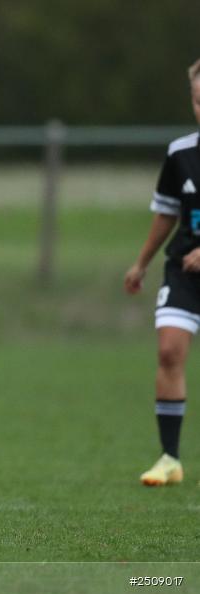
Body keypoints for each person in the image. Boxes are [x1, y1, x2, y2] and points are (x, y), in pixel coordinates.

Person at [125, 58, 200, 486]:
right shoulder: (181, 154)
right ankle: (170, 457)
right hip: (184, 275)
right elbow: (167, 213)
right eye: (197, 101)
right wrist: (141, 263)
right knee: (169, 351)